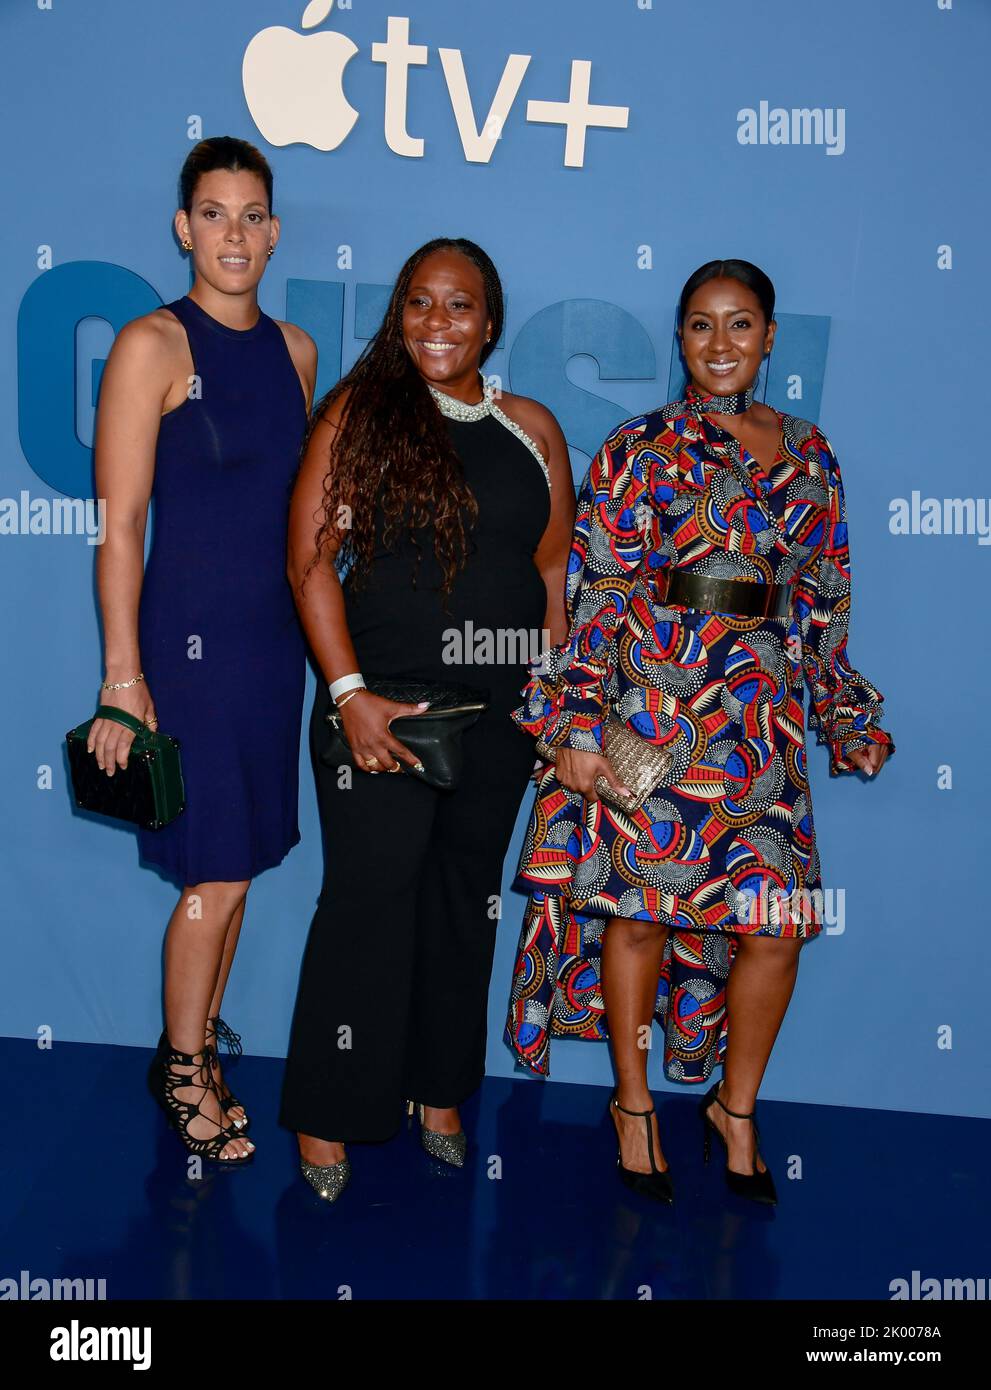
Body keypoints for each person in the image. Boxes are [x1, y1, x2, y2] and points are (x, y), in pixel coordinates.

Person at [508, 258, 894, 1204]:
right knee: (638, 915)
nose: (719, 344)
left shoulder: (811, 454)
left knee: (775, 927)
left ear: (768, 337)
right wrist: (573, 721)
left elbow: (822, 597)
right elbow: (597, 593)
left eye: (739, 324)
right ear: (678, 338)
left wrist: (841, 708)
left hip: (758, 718)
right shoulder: (636, 448)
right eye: (698, 325)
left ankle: (737, 1105)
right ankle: (633, 1106)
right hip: (653, 708)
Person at [278, 237, 575, 1201]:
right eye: (418, 302)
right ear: (396, 314)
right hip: (385, 704)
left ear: (490, 321)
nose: (436, 323)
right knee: (368, 905)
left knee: (464, 903)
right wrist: (350, 696)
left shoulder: (531, 425)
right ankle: (329, 1111)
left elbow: (547, 573)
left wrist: (549, 696)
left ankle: (440, 1093)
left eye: (458, 306)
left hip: (499, 712)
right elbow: (309, 563)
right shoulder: (358, 415)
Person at [89, 136, 316, 1164]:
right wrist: (122, 680)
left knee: (246, 864)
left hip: (272, 651)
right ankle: (178, 1067)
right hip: (183, 655)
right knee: (211, 876)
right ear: (184, 227)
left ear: (274, 230)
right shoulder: (151, 346)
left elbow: (289, 511)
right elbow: (122, 524)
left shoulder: (297, 352)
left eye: (252, 213)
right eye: (214, 212)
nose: (235, 232)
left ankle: (203, 1044)